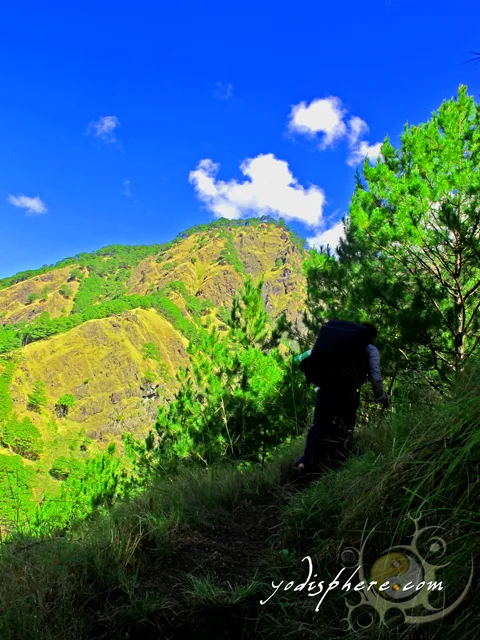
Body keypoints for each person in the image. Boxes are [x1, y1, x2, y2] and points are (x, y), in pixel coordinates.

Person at [295, 321, 389, 474]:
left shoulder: (337, 341)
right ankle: (333, 468)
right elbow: (376, 378)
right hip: (348, 394)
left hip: (324, 390)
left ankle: (305, 464)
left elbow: (314, 357)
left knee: (318, 427)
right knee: (343, 430)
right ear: (372, 337)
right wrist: (381, 398)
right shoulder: (370, 348)